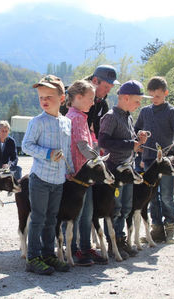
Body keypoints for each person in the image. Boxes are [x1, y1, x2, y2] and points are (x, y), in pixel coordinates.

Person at [22, 74, 74, 275]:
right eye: (41, 97)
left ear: (62, 98)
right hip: (40, 179)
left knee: (52, 219)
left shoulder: (66, 123)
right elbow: (26, 145)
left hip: (59, 180)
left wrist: (69, 170)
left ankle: (48, 254)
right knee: (38, 218)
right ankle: (33, 258)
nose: (44, 100)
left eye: (49, 97)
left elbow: (67, 149)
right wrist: (47, 154)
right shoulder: (37, 122)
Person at [98, 80, 149, 259]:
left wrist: (138, 140)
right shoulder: (110, 116)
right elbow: (103, 142)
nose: (139, 104)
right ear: (125, 98)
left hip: (127, 170)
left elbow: (128, 141)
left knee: (126, 207)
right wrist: (131, 144)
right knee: (116, 207)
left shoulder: (128, 116)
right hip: (114, 171)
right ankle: (113, 243)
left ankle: (120, 239)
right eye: (137, 100)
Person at [134, 76, 174, 244]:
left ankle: (170, 228)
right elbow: (136, 130)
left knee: (166, 195)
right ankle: (156, 229)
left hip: (166, 161)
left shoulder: (172, 111)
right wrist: (138, 143)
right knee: (152, 197)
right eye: (151, 96)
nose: (154, 99)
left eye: (157, 95)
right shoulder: (144, 111)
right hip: (149, 160)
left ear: (165, 93)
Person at [64, 79, 108, 266]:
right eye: (90, 98)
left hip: (81, 176)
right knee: (78, 214)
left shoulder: (73, 115)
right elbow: (82, 146)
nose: (92, 102)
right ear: (78, 97)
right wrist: (98, 159)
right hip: (79, 176)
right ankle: (76, 250)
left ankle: (82, 247)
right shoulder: (78, 118)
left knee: (83, 214)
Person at [85, 65, 120, 139]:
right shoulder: (73, 97)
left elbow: (100, 131)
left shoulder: (102, 104)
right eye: (106, 87)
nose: (108, 91)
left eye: (111, 87)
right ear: (95, 81)